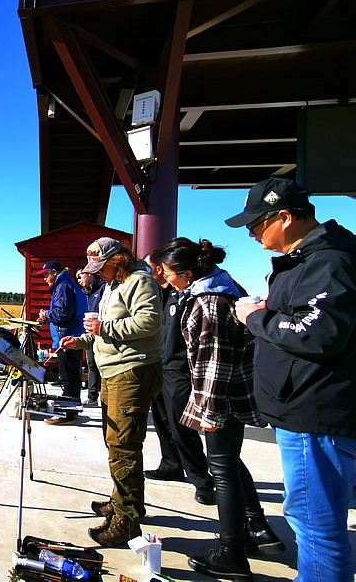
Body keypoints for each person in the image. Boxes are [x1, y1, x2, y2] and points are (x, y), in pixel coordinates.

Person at [227, 177, 356, 582]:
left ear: (284, 217)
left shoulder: (329, 260)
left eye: (256, 224)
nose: (251, 233)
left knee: (314, 523)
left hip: (313, 411)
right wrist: (271, 307)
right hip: (305, 408)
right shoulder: (310, 260)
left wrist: (255, 316)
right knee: (314, 519)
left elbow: (317, 333)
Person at [159, 237, 284, 581]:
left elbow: (213, 363)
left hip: (222, 398)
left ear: (186, 273)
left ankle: (232, 554)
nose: (166, 279)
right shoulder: (224, 287)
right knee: (229, 463)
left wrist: (207, 411)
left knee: (223, 472)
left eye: (169, 273)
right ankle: (256, 529)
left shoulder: (210, 302)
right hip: (233, 394)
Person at [60, 237, 164, 547]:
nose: (97, 273)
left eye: (101, 266)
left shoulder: (139, 282)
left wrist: (103, 330)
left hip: (131, 372)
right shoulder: (112, 287)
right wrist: (81, 341)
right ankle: (123, 501)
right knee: (117, 441)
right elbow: (104, 329)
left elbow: (149, 322)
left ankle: (127, 521)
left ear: (117, 260)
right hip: (113, 372)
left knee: (123, 445)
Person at [144, 249, 216, 506]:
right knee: (162, 420)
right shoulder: (167, 293)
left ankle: (202, 479)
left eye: (161, 269)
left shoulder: (193, 295)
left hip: (180, 370)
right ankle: (171, 464)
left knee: (182, 426)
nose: (159, 274)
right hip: (161, 363)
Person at [35, 260, 88, 424]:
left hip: (68, 338)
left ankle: (66, 415)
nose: (45, 279)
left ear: (53, 272)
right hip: (73, 336)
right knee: (73, 376)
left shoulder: (62, 286)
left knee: (67, 377)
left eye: (46, 275)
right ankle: (73, 409)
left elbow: (62, 313)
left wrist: (46, 315)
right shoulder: (67, 283)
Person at [76, 266, 104, 406]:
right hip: (88, 333)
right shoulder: (84, 293)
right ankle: (92, 397)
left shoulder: (103, 288)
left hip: (103, 332)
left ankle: (106, 397)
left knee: (103, 365)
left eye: (81, 276)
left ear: (90, 274)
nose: (79, 280)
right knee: (91, 364)